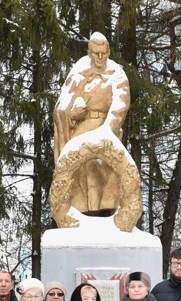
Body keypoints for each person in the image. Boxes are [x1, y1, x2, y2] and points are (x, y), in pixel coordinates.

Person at [53, 32, 131, 215]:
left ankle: (106, 216)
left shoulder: (117, 74)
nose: (99, 57)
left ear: (109, 52)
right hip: (80, 130)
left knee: (105, 175)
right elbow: (61, 106)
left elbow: (121, 105)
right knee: (80, 176)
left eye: (103, 53)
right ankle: (81, 216)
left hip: (106, 130)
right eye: (95, 53)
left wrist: (108, 132)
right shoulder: (79, 70)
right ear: (89, 52)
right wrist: (71, 113)